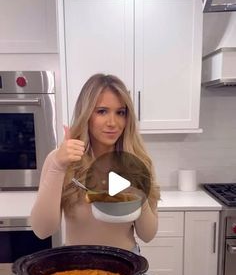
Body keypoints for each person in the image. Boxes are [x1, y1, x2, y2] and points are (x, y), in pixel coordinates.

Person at [30, 74, 160, 254]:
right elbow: (42, 231)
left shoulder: (139, 162)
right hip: (77, 268)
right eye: (102, 111)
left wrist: (139, 192)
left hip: (127, 266)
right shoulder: (60, 160)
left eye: (120, 112)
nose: (113, 123)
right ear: (86, 114)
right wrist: (58, 167)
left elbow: (148, 234)